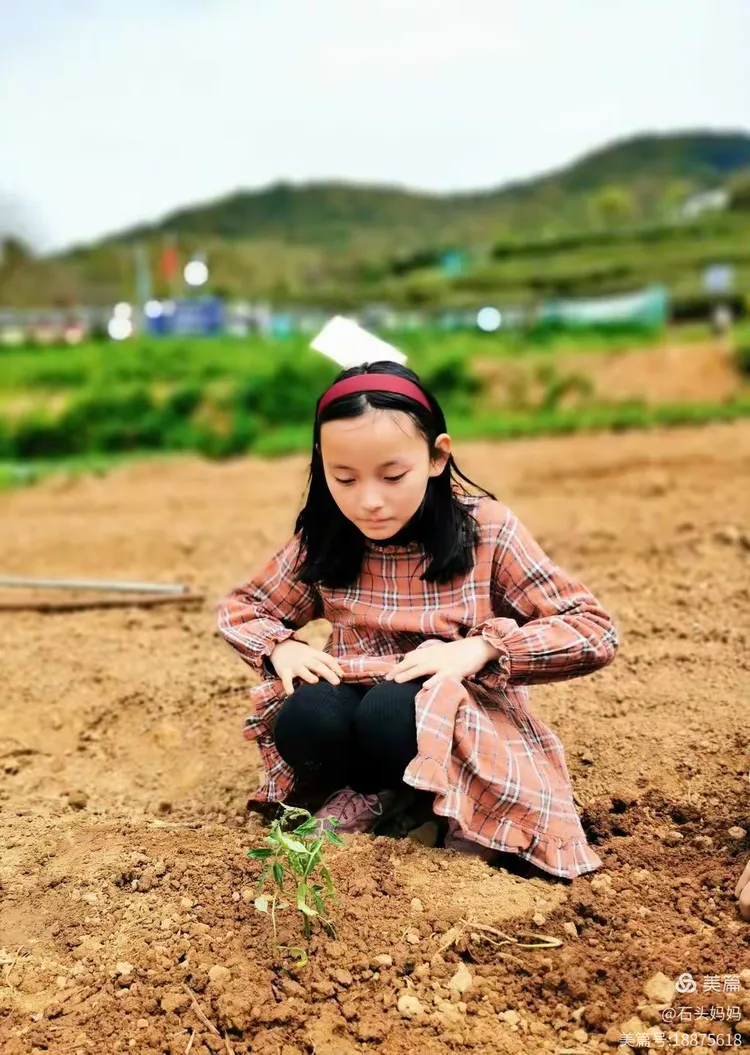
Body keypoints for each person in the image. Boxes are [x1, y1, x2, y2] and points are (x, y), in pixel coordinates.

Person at [217, 360, 619, 879]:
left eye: (392, 476)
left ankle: (445, 803)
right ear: (323, 465)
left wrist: (484, 649)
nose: (369, 500)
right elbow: (242, 608)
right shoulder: (328, 536)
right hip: (358, 696)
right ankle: (373, 797)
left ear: (436, 457)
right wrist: (281, 647)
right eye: (344, 477)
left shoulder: (486, 531)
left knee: (391, 710)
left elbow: (593, 627)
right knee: (307, 715)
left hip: (454, 707)